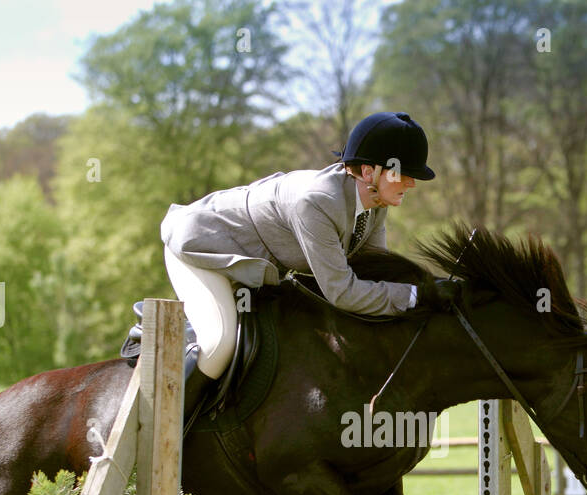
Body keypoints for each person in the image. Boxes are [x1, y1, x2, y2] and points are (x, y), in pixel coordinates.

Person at [124, 111, 463, 416]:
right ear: (368, 171)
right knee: (219, 344)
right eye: (402, 174)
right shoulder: (317, 202)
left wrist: (428, 287)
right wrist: (417, 298)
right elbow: (342, 292)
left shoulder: (375, 202)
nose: (412, 183)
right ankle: (162, 427)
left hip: (254, 265)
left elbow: (373, 270)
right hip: (203, 248)